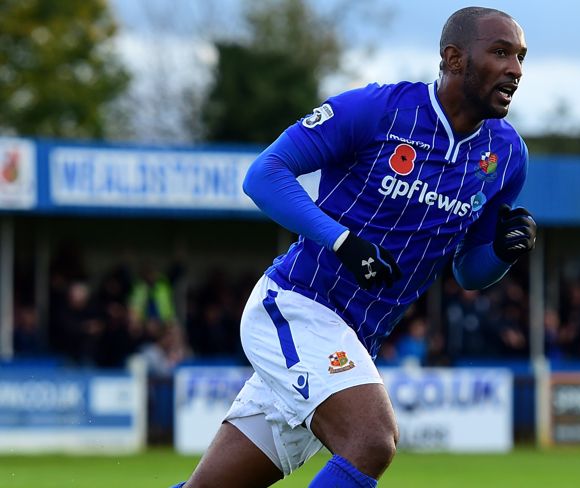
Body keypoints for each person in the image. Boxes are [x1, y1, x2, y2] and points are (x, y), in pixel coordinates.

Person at [174, 6, 535, 488]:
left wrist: (503, 254)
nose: (515, 68)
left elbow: (468, 272)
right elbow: (264, 175)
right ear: (452, 58)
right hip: (298, 305)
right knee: (371, 439)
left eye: (520, 56)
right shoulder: (378, 111)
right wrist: (342, 242)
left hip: (353, 339)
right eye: (500, 52)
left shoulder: (506, 155)